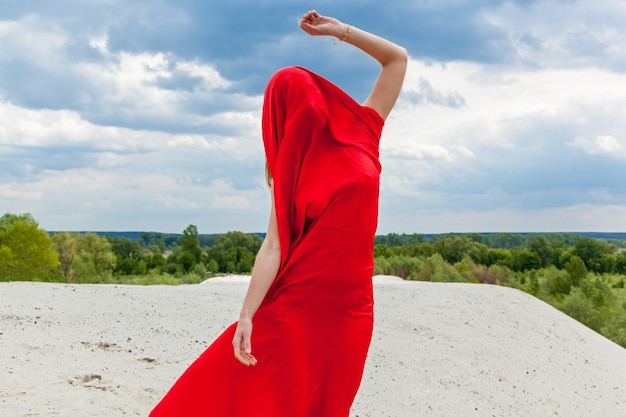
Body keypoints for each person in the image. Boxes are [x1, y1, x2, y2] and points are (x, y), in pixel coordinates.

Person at [150, 10, 407, 417]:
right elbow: (273, 246)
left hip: (352, 303)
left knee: (329, 399)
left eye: (303, 92)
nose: (301, 105)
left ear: (320, 92)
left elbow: (397, 59)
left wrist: (339, 31)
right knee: (267, 390)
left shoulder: (363, 131)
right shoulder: (289, 174)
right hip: (298, 300)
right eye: (287, 102)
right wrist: (247, 314)